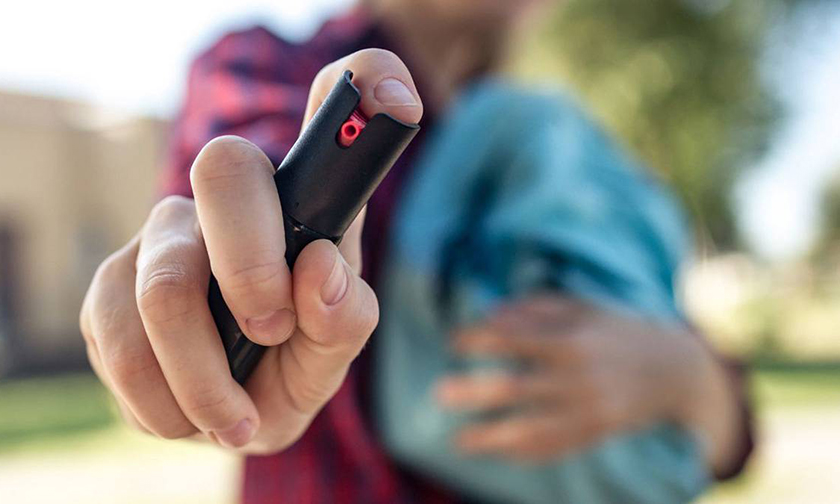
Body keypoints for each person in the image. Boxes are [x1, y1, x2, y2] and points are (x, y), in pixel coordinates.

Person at [79, 1, 753, 502]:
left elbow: (735, 437)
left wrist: (689, 380)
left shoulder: (552, 151)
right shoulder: (267, 69)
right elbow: (241, 180)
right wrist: (195, 301)